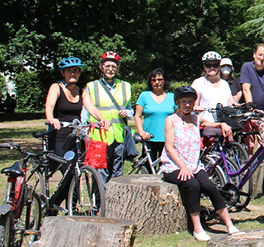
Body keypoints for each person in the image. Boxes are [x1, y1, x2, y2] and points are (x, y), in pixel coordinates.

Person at [159, 86, 240, 242]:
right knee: (193, 186)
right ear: (177, 103)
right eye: (184, 102)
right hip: (174, 166)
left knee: (210, 187)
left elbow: (211, 123)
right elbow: (169, 147)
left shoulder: (196, 118)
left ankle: (230, 225)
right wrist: (182, 166)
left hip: (194, 166)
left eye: (190, 102)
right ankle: (197, 228)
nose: (187, 105)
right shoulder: (171, 120)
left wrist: (222, 124)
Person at [82, 51, 134, 184]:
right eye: (107, 66)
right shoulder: (91, 86)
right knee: (100, 171)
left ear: (117, 68)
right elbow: (86, 111)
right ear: (101, 67)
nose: (110, 69)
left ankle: (115, 201)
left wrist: (127, 113)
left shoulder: (126, 86)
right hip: (99, 136)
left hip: (119, 135)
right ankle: (99, 202)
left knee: (117, 171)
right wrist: (83, 131)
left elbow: (130, 109)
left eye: (113, 66)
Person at [44, 56, 97, 157]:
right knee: (63, 166)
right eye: (69, 71)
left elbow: (92, 109)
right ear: (62, 73)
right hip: (59, 135)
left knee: (78, 165)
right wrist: (51, 119)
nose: (72, 74)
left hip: (76, 135)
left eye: (75, 71)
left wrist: (103, 120)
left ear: (79, 73)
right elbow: (49, 106)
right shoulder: (56, 87)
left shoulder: (82, 92)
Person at [134, 68, 175, 162]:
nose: (157, 82)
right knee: (148, 168)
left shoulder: (172, 97)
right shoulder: (144, 96)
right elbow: (138, 115)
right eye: (154, 80)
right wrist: (141, 131)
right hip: (149, 138)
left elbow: (177, 117)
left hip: (168, 138)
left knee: (166, 167)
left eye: (160, 79)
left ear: (164, 81)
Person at [192, 51, 235, 133]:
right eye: (208, 65)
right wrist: (196, 107)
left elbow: (231, 103)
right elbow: (193, 105)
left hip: (224, 124)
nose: (212, 68)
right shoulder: (198, 83)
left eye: (215, 65)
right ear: (204, 67)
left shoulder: (224, 84)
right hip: (207, 125)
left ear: (219, 67)